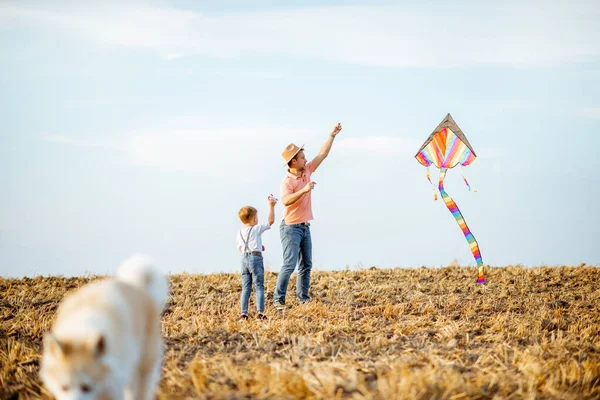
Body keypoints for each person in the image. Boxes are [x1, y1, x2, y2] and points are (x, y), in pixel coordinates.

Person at [273, 122, 342, 310]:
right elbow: (286, 201)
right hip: (290, 228)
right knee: (289, 264)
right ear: (293, 161)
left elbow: (323, 154)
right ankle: (278, 300)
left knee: (306, 265)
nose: (306, 160)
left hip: (305, 226)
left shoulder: (307, 170)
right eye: (302, 158)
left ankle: (303, 298)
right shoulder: (287, 182)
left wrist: (332, 135)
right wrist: (303, 190)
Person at [236, 197, 277, 320]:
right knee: (259, 285)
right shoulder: (256, 229)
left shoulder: (239, 233)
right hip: (255, 258)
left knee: (246, 287)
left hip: (244, 258)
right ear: (254, 218)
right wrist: (272, 206)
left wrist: (258, 246)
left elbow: (240, 247)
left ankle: (244, 313)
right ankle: (260, 313)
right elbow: (271, 221)